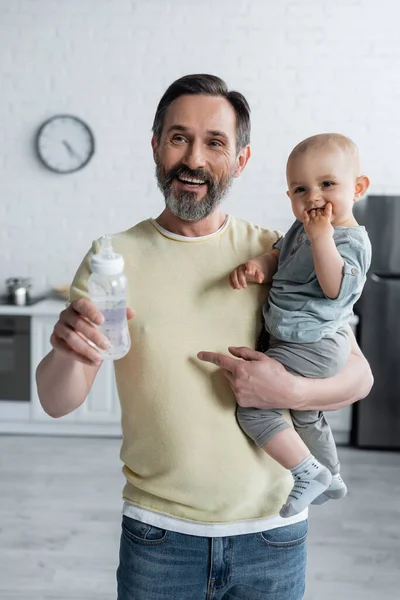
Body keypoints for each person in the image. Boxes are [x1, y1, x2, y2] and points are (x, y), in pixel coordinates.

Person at [36, 75, 373, 600]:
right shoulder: (112, 261)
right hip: (159, 537)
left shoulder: (276, 254)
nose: (194, 158)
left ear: (240, 160)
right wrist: (65, 347)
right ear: (155, 146)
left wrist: (291, 394)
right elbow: (57, 401)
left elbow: (359, 375)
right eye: (178, 137)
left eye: (215, 142)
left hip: (273, 536)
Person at [227, 133, 371, 519]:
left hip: (312, 343)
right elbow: (279, 255)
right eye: (300, 189)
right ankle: (332, 475)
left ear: (357, 188)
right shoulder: (301, 227)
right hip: (295, 337)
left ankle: (305, 472)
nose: (313, 197)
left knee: (254, 407)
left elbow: (335, 285)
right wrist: (260, 265)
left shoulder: (350, 240)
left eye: (327, 184)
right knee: (307, 416)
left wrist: (321, 237)